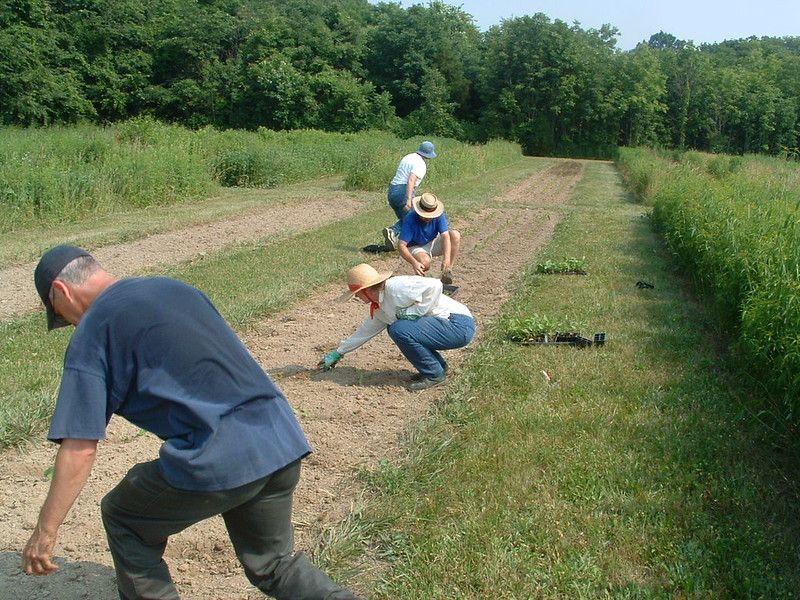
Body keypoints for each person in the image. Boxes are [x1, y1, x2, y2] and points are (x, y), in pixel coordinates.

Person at [23, 244, 362, 600]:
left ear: (61, 291)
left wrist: (45, 531)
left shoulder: (92, 332)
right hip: (280, 436)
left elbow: (79, 448)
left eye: (61, 315)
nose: (70, 323)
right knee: (274, 564)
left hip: (219, 455)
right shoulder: (174, 288)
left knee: (124, 516)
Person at [318, 263, 475, 391]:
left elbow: (434, 285)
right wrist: (339, 352)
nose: (357, 298)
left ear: (366, 290)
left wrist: (417, 311)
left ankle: (434, 374)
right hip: (447, 327)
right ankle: (437, 367)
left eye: (357, 294)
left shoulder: (395, 287)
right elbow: (365, 332)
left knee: (399, 329)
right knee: (399, 328)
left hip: (458, 324)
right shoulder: (380, 307)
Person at [397, 192, 460, 285]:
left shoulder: (439, 215)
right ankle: (419, 283)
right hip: (416, 245)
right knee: (425, 262)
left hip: (432, 241)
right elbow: (401, 245)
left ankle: (447, 272)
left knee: (455, 235)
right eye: (425, 216)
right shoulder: (410, 219)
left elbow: (445, 236)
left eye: (430, 216)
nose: (428, 218)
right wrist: (414, 262)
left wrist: (446, 259)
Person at [382, 140, 436, 249]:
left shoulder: (408, 157)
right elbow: (411, 180)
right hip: (403, 191)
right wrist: (409, 199)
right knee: (414, 218)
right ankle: (393, 231)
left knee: (406, 218)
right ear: (429, 154)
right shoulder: (421, 164)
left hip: (392, 190)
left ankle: (402, 240)